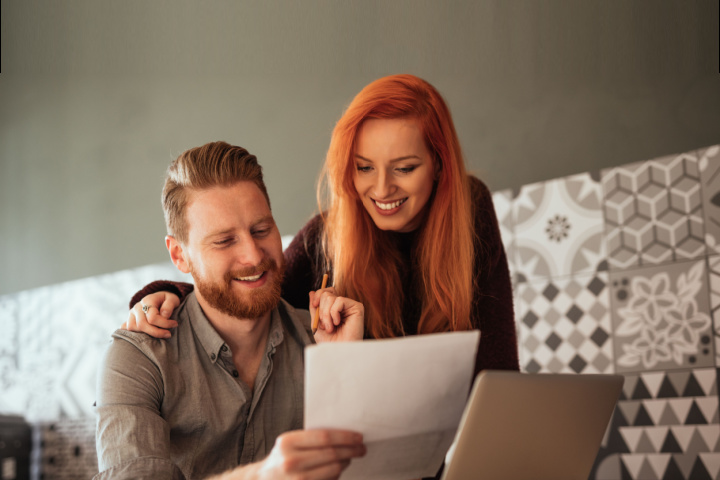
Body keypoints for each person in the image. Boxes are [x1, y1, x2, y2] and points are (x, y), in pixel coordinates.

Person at [127, 73, 519, 380]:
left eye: (405, 168)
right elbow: (253, 289)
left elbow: (496, 369)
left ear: (439, 164)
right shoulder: (325, 236)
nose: (381, 189)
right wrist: (170, 292)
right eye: (363, 167)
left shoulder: (470, 207)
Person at [94, 141, 366, 480]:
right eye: (224, 241)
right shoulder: (139, 357)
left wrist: (344, 370)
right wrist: (260, 476)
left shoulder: (324, 340)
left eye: (261, 230)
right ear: (180, 256)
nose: (253, 256)